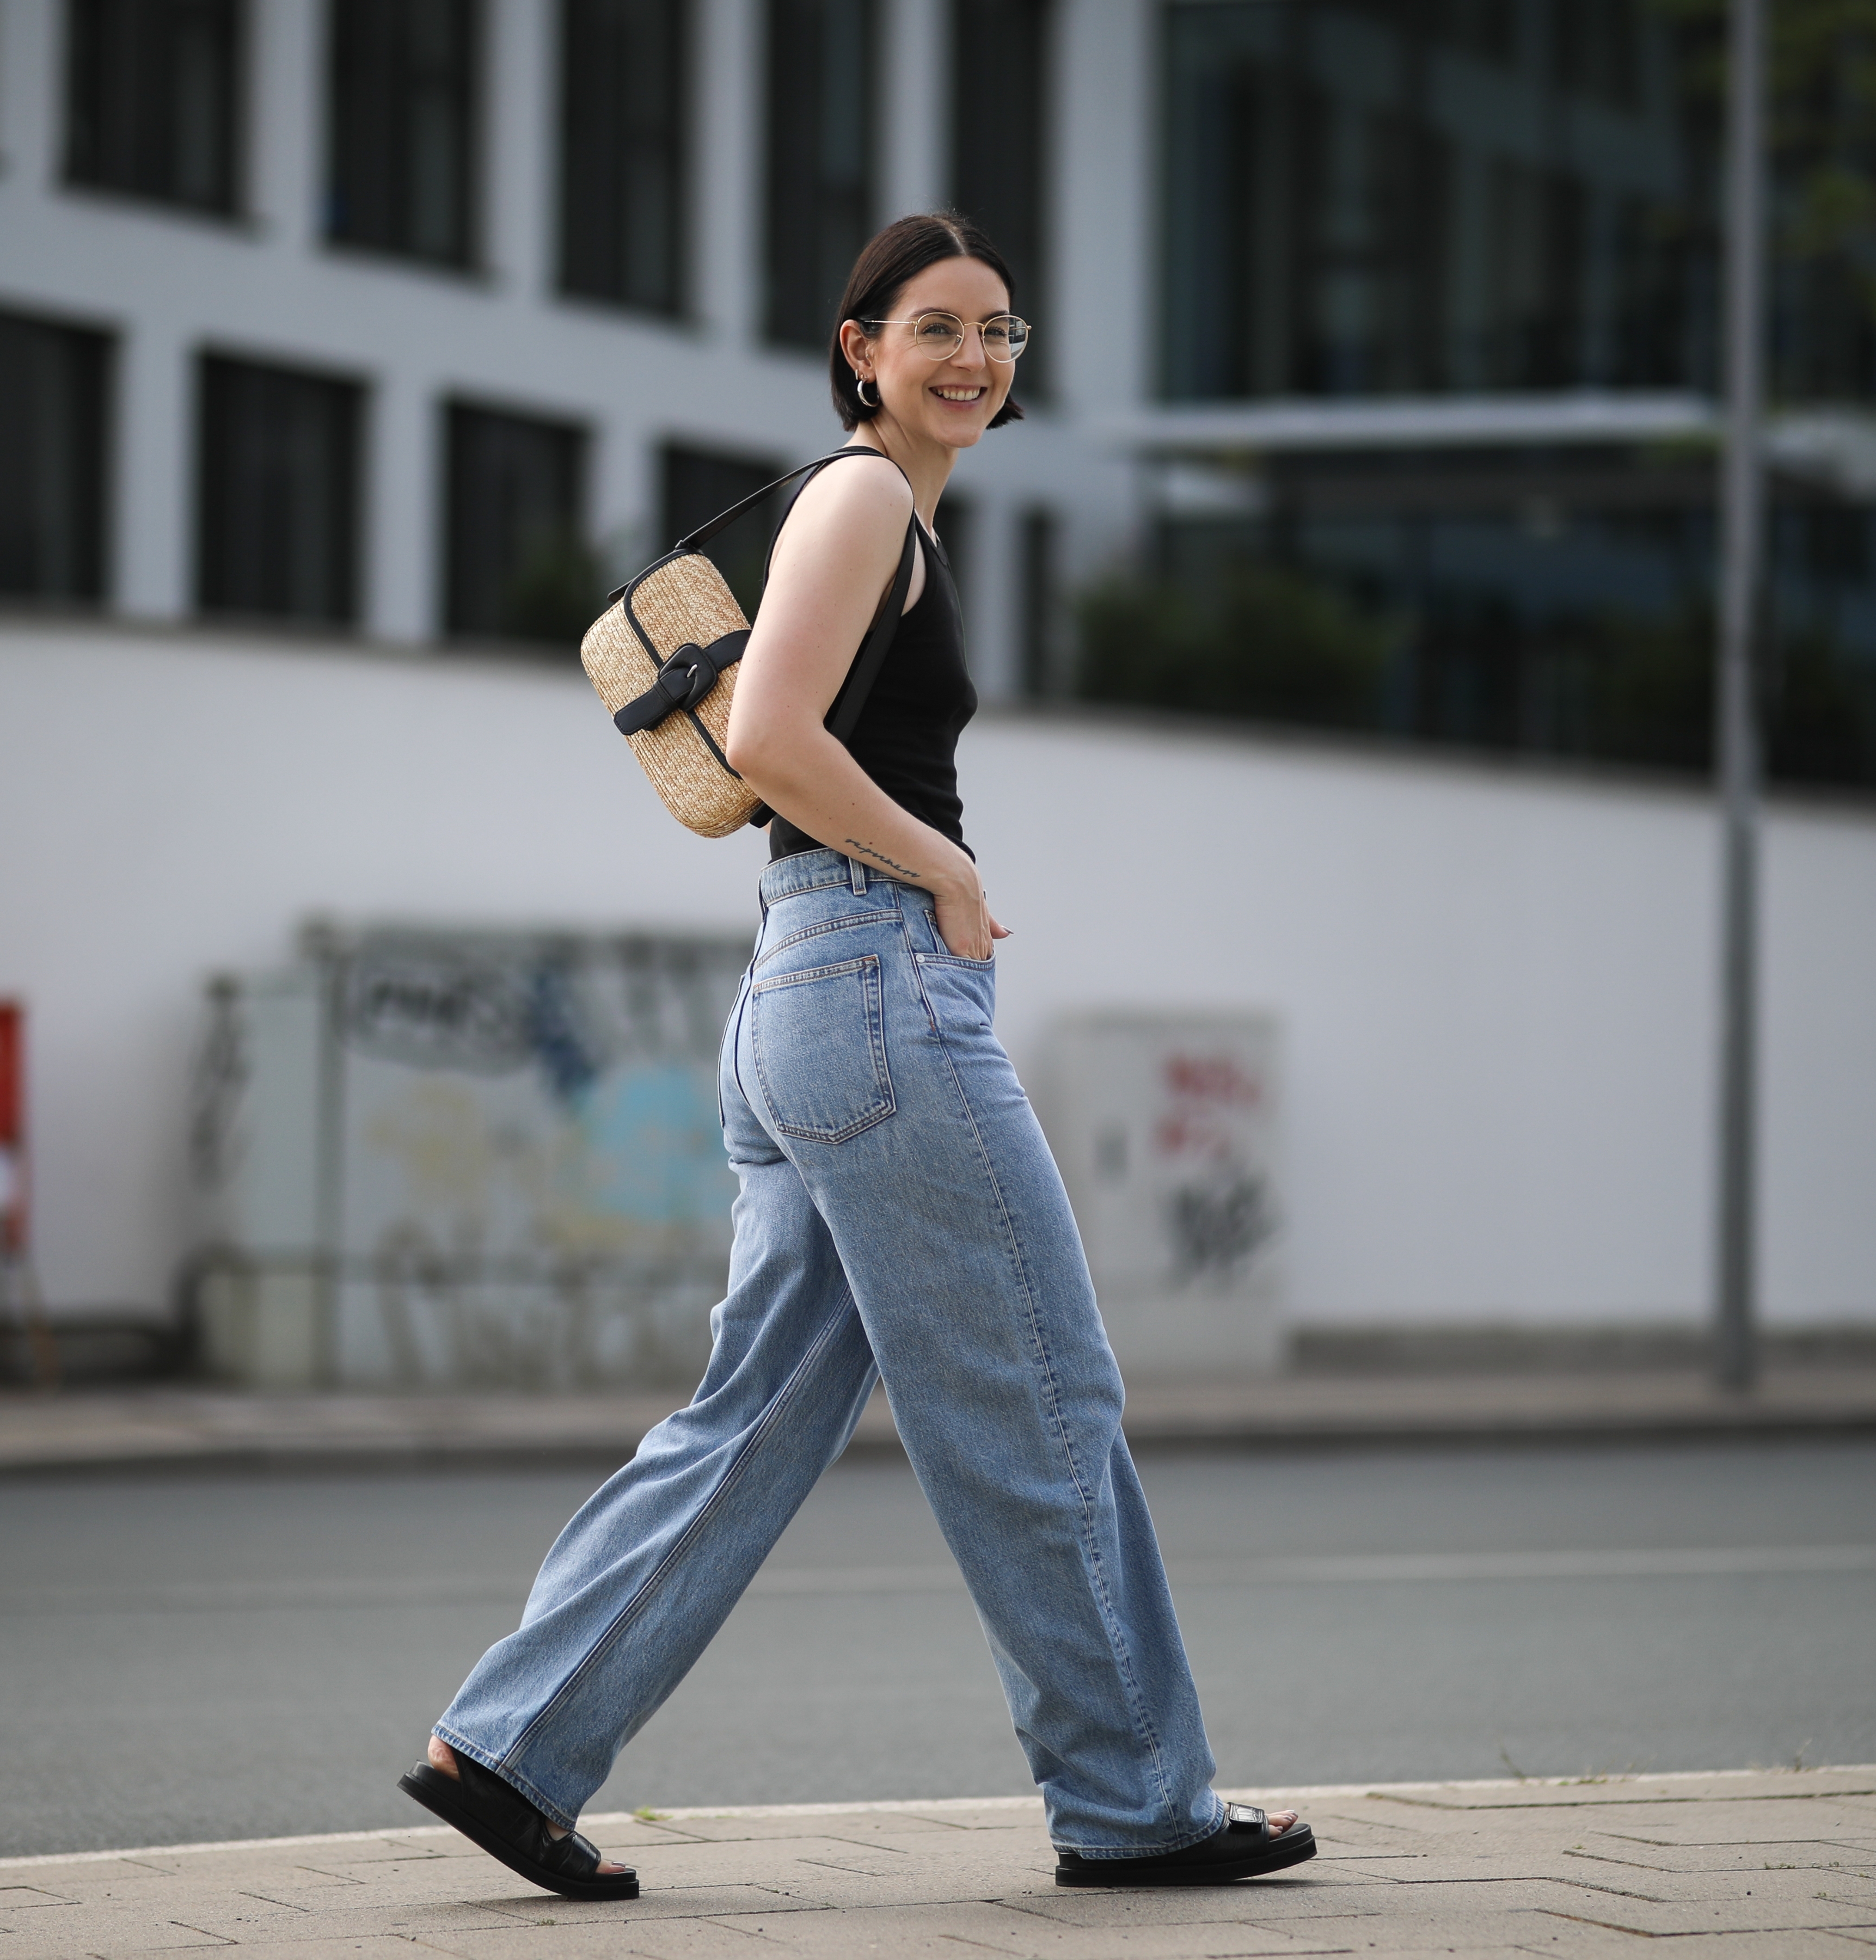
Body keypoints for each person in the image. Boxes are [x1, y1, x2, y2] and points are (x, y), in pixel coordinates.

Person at [397, 211, 1315, 1901]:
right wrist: (946, 869)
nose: (972, 356)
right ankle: (1134, 1798)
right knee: (1039, 1394)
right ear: (859, 349)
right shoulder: (864, 495)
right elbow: (768, 735)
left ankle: (509, 1747)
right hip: (874, 986)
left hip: (816, 993)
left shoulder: (888, 509)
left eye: (997, 329)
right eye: (934, 326)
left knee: (754, 1412)